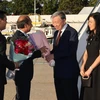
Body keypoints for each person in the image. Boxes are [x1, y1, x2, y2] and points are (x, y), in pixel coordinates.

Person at [11, 15, 47, 100]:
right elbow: (26, 54)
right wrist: (40, 51)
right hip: (22, 72)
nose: (32, 25)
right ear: (26, 25)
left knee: (23, 94)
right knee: (23, 96)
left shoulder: (21, 35)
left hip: (23, 72)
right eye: (30, 23)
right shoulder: (19, 37)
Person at [46, 11, 80, 100]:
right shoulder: (56, 33)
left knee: (70, 96)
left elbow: (70, 51)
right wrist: (48, 53)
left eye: (56, 22)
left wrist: (54, 56)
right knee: (60, 96)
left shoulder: (72, 32)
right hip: (58, 71)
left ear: (64, 20)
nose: (54, 25)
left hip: (69, 72)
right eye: (53, 23)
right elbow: (56, 50)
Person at [80, 12, 100, 100]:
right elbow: (86, 52)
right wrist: (82, 66)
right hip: (87, 69)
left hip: (96, 70)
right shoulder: (91, 36)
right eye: (88, 22)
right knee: (86, 94)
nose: (89, 24)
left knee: (95, 94)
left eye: (91, 22)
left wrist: (90, 69)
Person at [0, 10, 17, 100]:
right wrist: (13, 65)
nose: (6, 22)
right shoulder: (1, 38)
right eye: (5, 19)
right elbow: (1, 57)